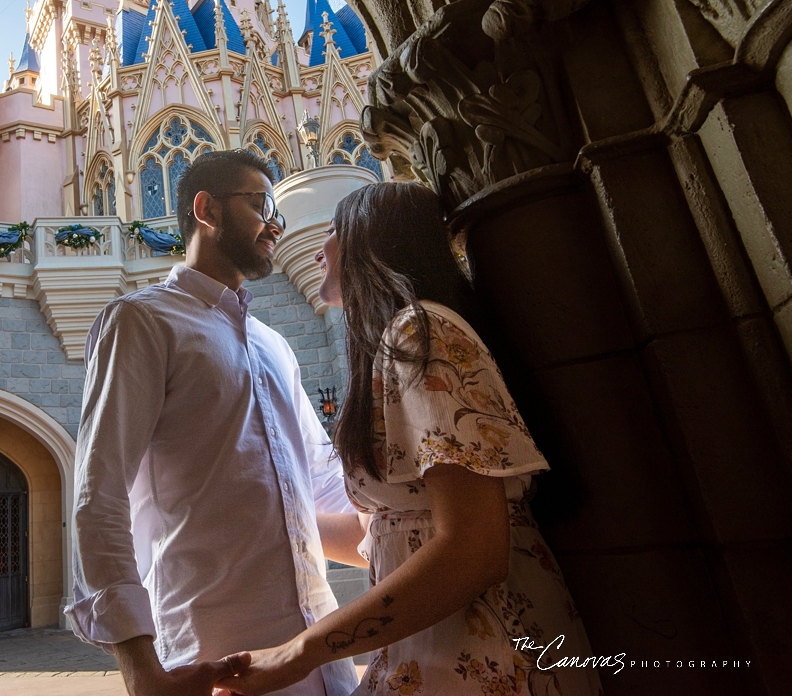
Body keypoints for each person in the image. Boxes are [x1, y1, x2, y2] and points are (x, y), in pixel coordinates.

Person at [216, 182, 603, 696]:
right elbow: (382, 536)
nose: (317, 247)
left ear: (371, 242)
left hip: (482, 647)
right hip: (433, 644)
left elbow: (473, 547)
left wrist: (300, 651)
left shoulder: (418, 332)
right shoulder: (394, 342)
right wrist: (262, 511)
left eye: (333, 231)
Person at [67, 150, 360, 696]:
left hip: (321, 655)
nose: (276, 223)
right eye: (261, 204)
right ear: (207, 209)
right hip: (212, 653)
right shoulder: (143, 320)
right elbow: (98, 495)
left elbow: (321, 489)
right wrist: (141, 671)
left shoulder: (276, 346)